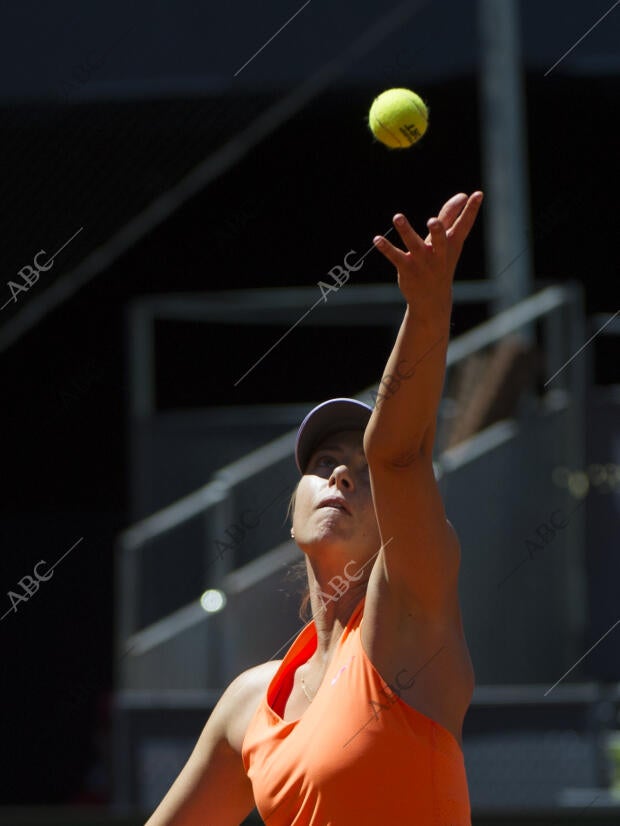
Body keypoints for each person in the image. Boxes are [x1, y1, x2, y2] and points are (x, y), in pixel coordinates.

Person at [145, 190, 483, 825]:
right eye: (325, 463)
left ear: (401, 516)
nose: (343, 477)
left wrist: (429, 311)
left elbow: (399, 453)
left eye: (363, 472)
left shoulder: (410, 611)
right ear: (292, 510)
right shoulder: (251, 702)